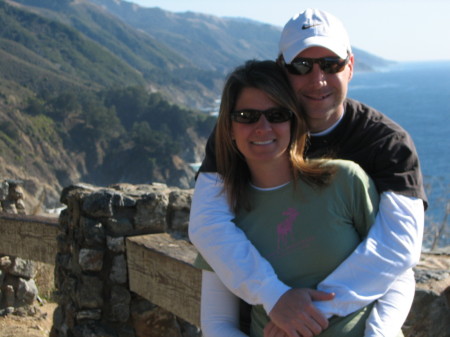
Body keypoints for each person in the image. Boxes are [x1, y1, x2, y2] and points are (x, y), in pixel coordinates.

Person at [189, 8, 427, 337]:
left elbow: (399, 250)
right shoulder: (245, 139)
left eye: (331, 65)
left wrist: (305, 312)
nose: (318, 79)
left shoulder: (386, 145)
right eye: (302, 66)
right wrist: (277, 299)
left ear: (351, 67)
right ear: (281, 71)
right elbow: (207, 225)